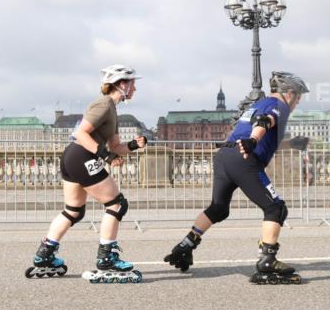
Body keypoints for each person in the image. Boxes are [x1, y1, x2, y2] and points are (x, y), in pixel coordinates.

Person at [164, 71, 308, 284]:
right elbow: (264, 122)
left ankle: (185, 246)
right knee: (275, 208)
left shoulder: (258, 104)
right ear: (289, 93)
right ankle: (267, 263)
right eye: (298, 96)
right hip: (244, 158)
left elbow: (259, 129)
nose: (298, 101)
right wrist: (253, 140)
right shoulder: (280, 105)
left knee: (218, 208)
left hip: (224, 156)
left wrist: (291, 143)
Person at [26, 65, 148, 283]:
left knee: (73, 211)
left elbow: (115, 146)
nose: (135, 89)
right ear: (122, 84)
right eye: (132, 84)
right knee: (117, 204)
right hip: (81, 156)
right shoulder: (103, 104)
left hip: (75, 157)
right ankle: (106, 257)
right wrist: (106, 156)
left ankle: (45, 254)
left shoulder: (112, 109)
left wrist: (134, 145)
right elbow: (80, 133)